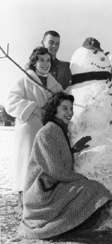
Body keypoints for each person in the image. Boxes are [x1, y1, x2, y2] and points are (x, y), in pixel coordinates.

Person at [18, 92, 112, 239]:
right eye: (64, 108)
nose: (70, 112)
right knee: (92, 188)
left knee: (91, 189)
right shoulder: (47, 132)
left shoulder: (58, 129)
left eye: (71, 108)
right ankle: (58, 228)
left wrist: (73, 150)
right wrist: (81, 178)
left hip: (53, 186)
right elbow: (55, 170)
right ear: (54, 110)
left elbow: (56, 157)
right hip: (42, 194)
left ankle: (68, 227)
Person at [5, 46, 63, 213]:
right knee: (26, 165)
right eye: (41, 60)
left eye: (48, 60)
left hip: (46, 131)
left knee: (43, 165)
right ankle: (23, 204)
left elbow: (62, 100)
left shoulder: (54, 84)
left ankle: (40, 204)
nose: (45, 64)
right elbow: (11, 102)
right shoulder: (23, 80)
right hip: (29, 129)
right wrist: (34, 108)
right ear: (34, 62)